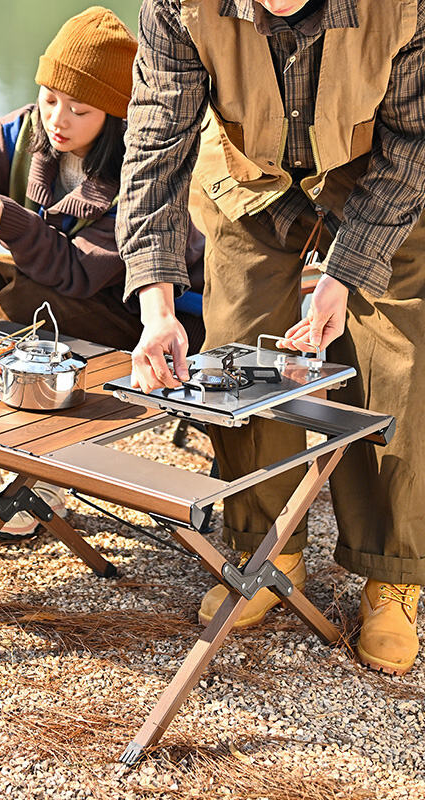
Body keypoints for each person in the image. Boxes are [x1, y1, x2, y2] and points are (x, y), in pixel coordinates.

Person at [117, 0, 425, 676]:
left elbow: (414, 144)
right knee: (235, 353)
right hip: (245, 172)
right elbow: (153, 148)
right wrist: (157, 307)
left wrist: (343, 276)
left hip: (377, 174)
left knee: (395, 362)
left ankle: (391, 572)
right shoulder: (179, 6)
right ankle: (267, 546)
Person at [0, 6, 204, 538]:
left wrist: (6, 219)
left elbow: (78, 274)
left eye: (80, 110)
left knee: (25, 309)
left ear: (114, 112)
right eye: (51, 99)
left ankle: (37, 480)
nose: (58, 120)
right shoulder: (22, 133)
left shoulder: (137, 168)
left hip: (150, 314)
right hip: (57, 294)